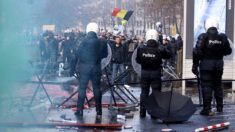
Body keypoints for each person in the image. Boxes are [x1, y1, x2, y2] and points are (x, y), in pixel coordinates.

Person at [192, 18, 232, 116]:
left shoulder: (203, 36)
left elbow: (197, 52)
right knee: (218, 85)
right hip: (218, 65)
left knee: (206, 86)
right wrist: (219, 52)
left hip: (206, 65)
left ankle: (207, 108)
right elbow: (228, 51)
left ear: (207, 26)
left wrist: (195, 65)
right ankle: (219, 107)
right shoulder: (222, 37)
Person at [73, 22, 108, 118]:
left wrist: (72, 68)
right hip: (96, 67)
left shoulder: (82, 41)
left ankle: (79, 110)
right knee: (97, 89)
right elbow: (105, 55)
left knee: (82, 89)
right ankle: (99, 111)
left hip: (84, 68)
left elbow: (77, 54)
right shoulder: (102, 41)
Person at [136, 29, 171, 118]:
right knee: (156, 93)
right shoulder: (160, 48)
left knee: (144, 92)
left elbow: (138, 60)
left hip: (144, 72)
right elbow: (168, 55)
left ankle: (142, 112)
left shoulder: (141, 48)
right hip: (156, 73)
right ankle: (154, 113)